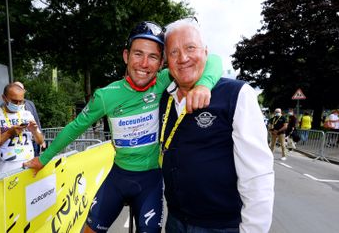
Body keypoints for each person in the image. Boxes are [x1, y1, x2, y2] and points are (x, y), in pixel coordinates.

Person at [23, 21, 222, 233]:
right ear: (126, 56)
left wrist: (204, 85)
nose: (144, 64)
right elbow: (75, 127)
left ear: (162, 63)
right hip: (118, 177)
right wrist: (43, 159)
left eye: (153, 57)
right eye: (138, 54)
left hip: (152, 180)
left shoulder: (165, 80)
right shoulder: (106, 95)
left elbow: (214, 60)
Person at [159, 18, 274, 233]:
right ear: (167, 61)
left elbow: (257, 176)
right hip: (175, 222)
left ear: (206, 52)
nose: (183, 58)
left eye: (190, 48)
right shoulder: (164, 98)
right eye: (173, 52)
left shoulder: (237, 95)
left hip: (221, 227)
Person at [0, 83, 44, 174]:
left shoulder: (27, 114)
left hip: (28, 163)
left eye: (21, 101)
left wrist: (34, 132)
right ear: (4, 98)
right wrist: (9, 133)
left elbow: (40, 141)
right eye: (14, 101)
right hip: (5, 166)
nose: (18, 104)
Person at [14, 81, 44, 156]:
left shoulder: (30, 104)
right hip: (15, 143)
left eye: (21, 89)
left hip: (33, 140)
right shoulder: (5, 106)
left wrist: (41, 138)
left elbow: (36, 121)